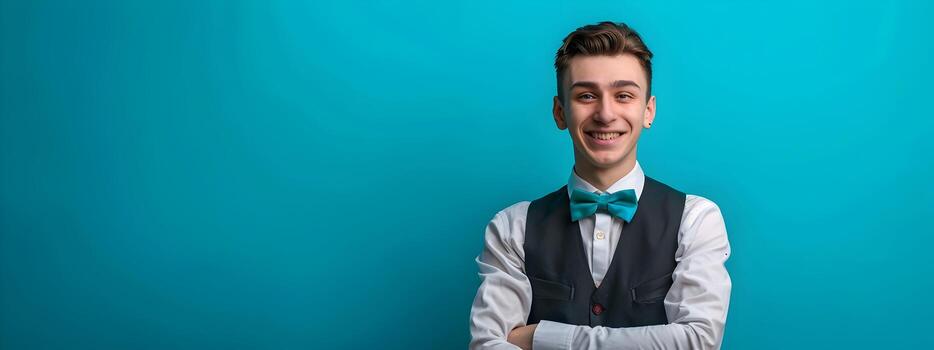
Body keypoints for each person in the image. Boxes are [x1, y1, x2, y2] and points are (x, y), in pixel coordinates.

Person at [468, 21, 732, 350]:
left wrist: (539, 336)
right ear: (560, 112)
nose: (605, 114)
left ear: (648, 111)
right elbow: (486, 346)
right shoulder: (511, 228)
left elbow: (698, 342)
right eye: (587, 95)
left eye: (623, 95)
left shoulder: (695, 220)